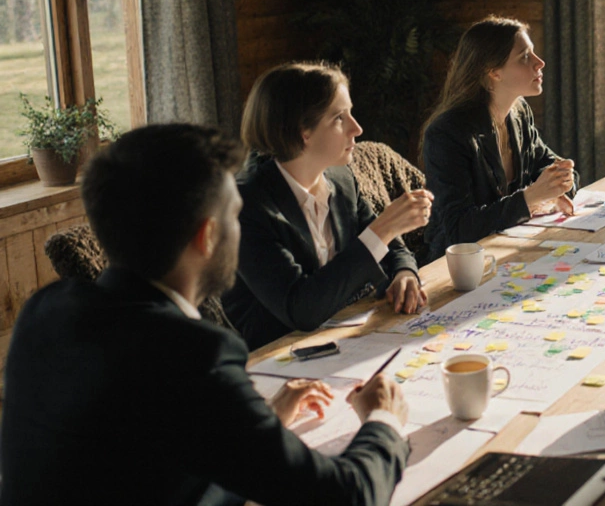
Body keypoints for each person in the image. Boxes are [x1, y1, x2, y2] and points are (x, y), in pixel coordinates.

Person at [0, 124, 410, 506]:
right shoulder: (192, 355)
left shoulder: (45, 311)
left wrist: (258, 423)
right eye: (234, 215)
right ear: (208, 236)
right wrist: (384, 421)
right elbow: (346, 496)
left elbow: (136, 449)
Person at [225, 62, 432, 349]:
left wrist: (404, 273)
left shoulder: (341, 178)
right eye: (338, 118)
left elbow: (392, 249)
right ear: (302, 132)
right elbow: (300, 309)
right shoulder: (245, 206)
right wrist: (383, 228)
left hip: (344, 340)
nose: (357, 128)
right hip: (277, 360)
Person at [421, 17, 577, 262]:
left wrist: (562, 181)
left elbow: (551, 165)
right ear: (493, 72)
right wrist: (530, 198)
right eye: (525, 57)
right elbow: (459, 229)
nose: (540, 62)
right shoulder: (447, 133)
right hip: (457, 270)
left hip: (510, 255)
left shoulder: (519, 112)